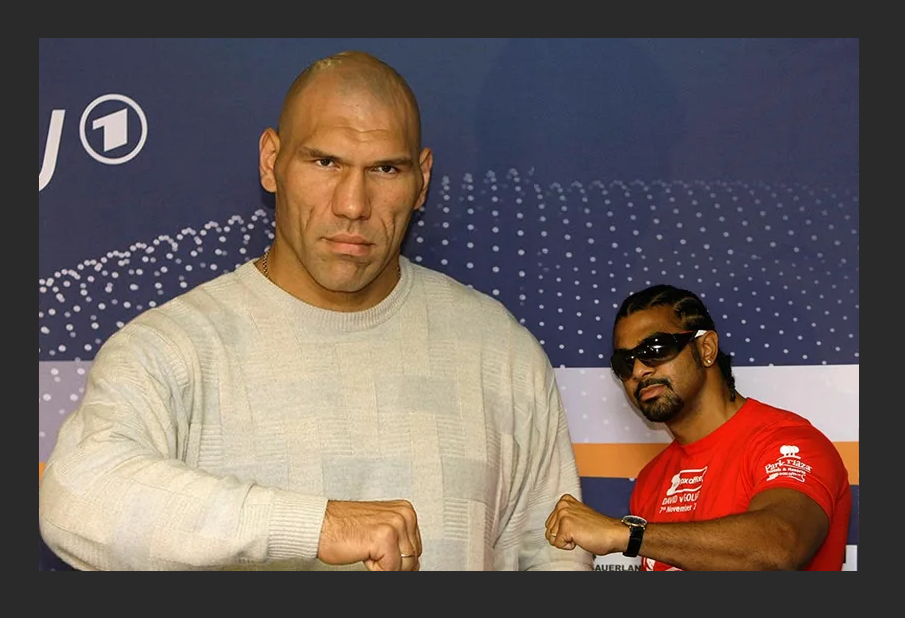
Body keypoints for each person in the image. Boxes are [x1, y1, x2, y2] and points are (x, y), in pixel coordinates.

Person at [38, 50, 593, 572]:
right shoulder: (172, 346)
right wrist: (314, 526)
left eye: (385, 170)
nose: (353, 205)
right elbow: (77, 498)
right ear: (271, 161)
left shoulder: (499, 351)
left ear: (421, 180)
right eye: (325, 162)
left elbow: (557, 558)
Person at [544, 284, 851, 571]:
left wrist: (626, 534)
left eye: (655, 348)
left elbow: (780, 546)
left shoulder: (789, 443)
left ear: (706, 349)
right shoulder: (652, 479)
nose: (638, 370)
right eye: (625, 362)